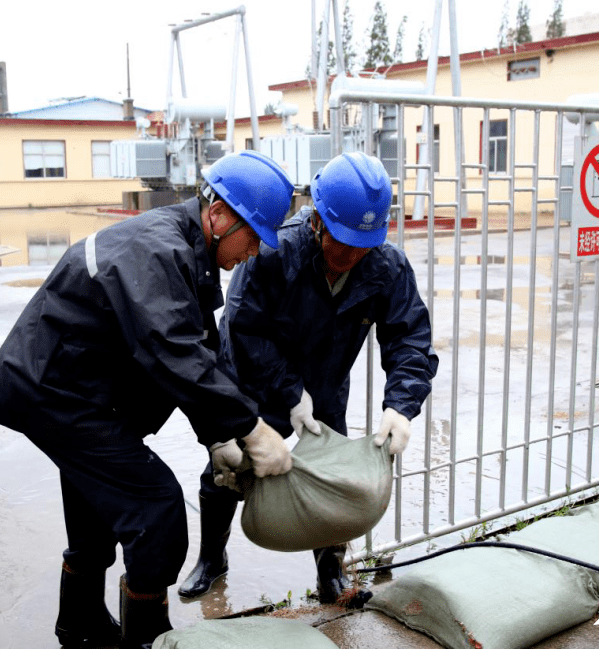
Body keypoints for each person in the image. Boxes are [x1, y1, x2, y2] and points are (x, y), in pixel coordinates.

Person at [0, 150, 296, 649]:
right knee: (156, 512)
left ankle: (79, 628)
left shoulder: (183, 250)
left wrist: (219, 438)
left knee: (100, 512)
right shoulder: (156, 249)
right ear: (218, 215)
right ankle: (147, 640)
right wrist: (252, 429)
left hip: (75, 391)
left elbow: (198, 349)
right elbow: (173, 353)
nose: (253, 252)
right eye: (253, 236)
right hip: (56, 393)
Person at [179, 151, 439, 604]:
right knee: (227, 472)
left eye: (365, 246)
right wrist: (289, 391)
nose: (352, 256)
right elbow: (243, 329)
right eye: (342, 242)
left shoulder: (386, 266)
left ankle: (329, 571)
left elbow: (409, 338)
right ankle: (212, 558)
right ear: (317, 220)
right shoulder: (273, 251)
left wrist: (402, 404)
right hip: (255, 379)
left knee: (330, 476)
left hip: (326, 384)